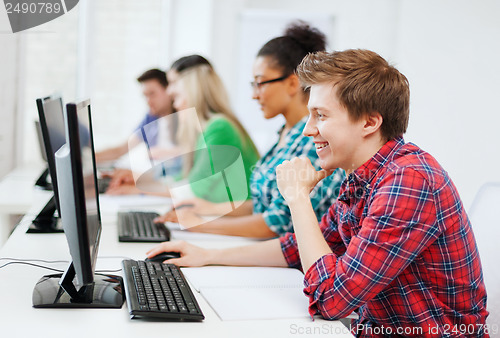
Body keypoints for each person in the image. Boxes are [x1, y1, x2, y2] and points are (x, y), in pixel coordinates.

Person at [147, 49, 489, 336]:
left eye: (320, 116)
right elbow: (297, 248)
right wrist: (207, 255)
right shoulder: (362, 175)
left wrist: (298, 198)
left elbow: (331, 300)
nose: (309, 130)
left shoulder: (409, 182)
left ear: (370, 122)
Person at [155, 22, 344, 239]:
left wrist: (200, 224)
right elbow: (261, 204)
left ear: (292, 84)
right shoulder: (284, 134)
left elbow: (276, 223)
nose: (254, 95)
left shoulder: (313, 141)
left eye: (260, 83)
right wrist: (208, 207)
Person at [108, 56, 260, 205]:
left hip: (233, 220)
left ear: (193, 87)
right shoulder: (208, 128)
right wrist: (141, 180)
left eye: (173, 82)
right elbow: (184, 178)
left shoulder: (219, 127)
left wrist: (139, 189)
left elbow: (194, 189)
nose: (169, 91)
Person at [95, 68, 173, 163]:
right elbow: (121, 150)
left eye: (152, 94)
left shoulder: (184, 116)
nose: (148, 101)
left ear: (168, 90)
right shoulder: (150, 118)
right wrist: (91, 158)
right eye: (145, 96)